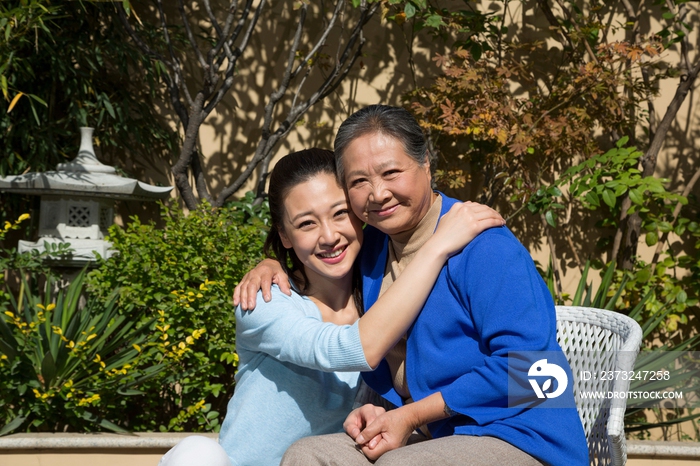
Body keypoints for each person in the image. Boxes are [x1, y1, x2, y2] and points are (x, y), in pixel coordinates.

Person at [234, 105, 589, 465]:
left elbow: (538, 373)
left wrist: (413, 414)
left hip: (518, 434)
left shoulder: (484, 245)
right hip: (435, 434)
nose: (378, 193)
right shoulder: (371, 247)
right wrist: (272, 263)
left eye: (391, 172)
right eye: (358, 182)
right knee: (310, 455)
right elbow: (322, 253)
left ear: (426, 164)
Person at [159, 148, 503, 466]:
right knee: (198, 452)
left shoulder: (381, 300)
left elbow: (528, 371)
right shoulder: (266, 301)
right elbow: (349, 348)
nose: (328, 236)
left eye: (340, 213)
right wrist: (438, 244)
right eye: (306, 223)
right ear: (284, 235)